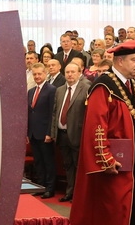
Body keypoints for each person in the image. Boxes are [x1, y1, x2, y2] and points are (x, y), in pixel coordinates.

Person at [69, 39, 135, 225]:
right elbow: (97, 125)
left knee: (130, 208)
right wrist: (105, 158)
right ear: (120, 61)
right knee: (116, 210)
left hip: (133, 160)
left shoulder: (133, 85)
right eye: (134, 60)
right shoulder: (104, 86)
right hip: (116, 161)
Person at [50, 60, 90, 202]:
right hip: (62, 135)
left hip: (77, 134)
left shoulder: (86, 88)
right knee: (67, 165)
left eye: (73, 72)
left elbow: (88, 113)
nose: (70, 74)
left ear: (79, 73)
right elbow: (55, 112)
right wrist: (53, 133)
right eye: (67, 72)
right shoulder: (60, 90)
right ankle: (70, 192)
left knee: (78, 166)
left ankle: (79, 195)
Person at [26, 62, 56, 198]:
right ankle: (40, 186)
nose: (37, 76)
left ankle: (49, 188)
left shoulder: (51, 90)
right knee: (38, 162)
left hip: (45, 133)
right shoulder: (31, 91)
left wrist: (49, 133)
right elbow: (29, 113)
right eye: (35, 74)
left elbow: (52, 114)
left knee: (48, 162)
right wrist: (28, 132)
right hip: (33, 133)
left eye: (39, 74)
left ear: (45, 73)